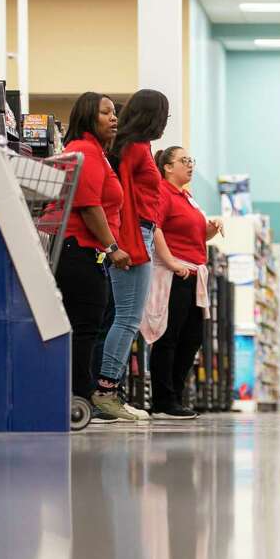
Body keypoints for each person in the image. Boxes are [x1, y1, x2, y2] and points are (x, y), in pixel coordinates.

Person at [86, 90, 172, 422]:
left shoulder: (139, 146)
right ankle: (106, 392)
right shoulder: (134, 148)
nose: (165, 122)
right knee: (127, 318)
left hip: (140, 232)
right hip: (134, 234)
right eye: (164, 115)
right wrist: (125, 244)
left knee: (125, 318)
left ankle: (109, 391)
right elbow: (120, 199)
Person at [56, 92, 130, 409]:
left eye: (114, 112)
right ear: (88, 116)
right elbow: (89, 206)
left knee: (86, 326)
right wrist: (113, 248)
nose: (114, 118)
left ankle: (79, 394)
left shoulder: (96, 152)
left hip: (85, 251)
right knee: (84, 328)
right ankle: (79, 396)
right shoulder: (85, 151)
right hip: (79, 249)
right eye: (105, 112)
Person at [144, 146, 222, 420]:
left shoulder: (187, 197)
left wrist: (210, 229)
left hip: (194, 274)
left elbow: (196, 237)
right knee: (168, 337)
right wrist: (171, 262)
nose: (190, 165)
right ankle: (163, 401)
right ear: (168, 167)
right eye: (184, 160)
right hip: (175, 273)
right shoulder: (163, 192)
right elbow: (155, 228)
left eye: (191, 160)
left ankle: (175, 396)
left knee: (191, 338)